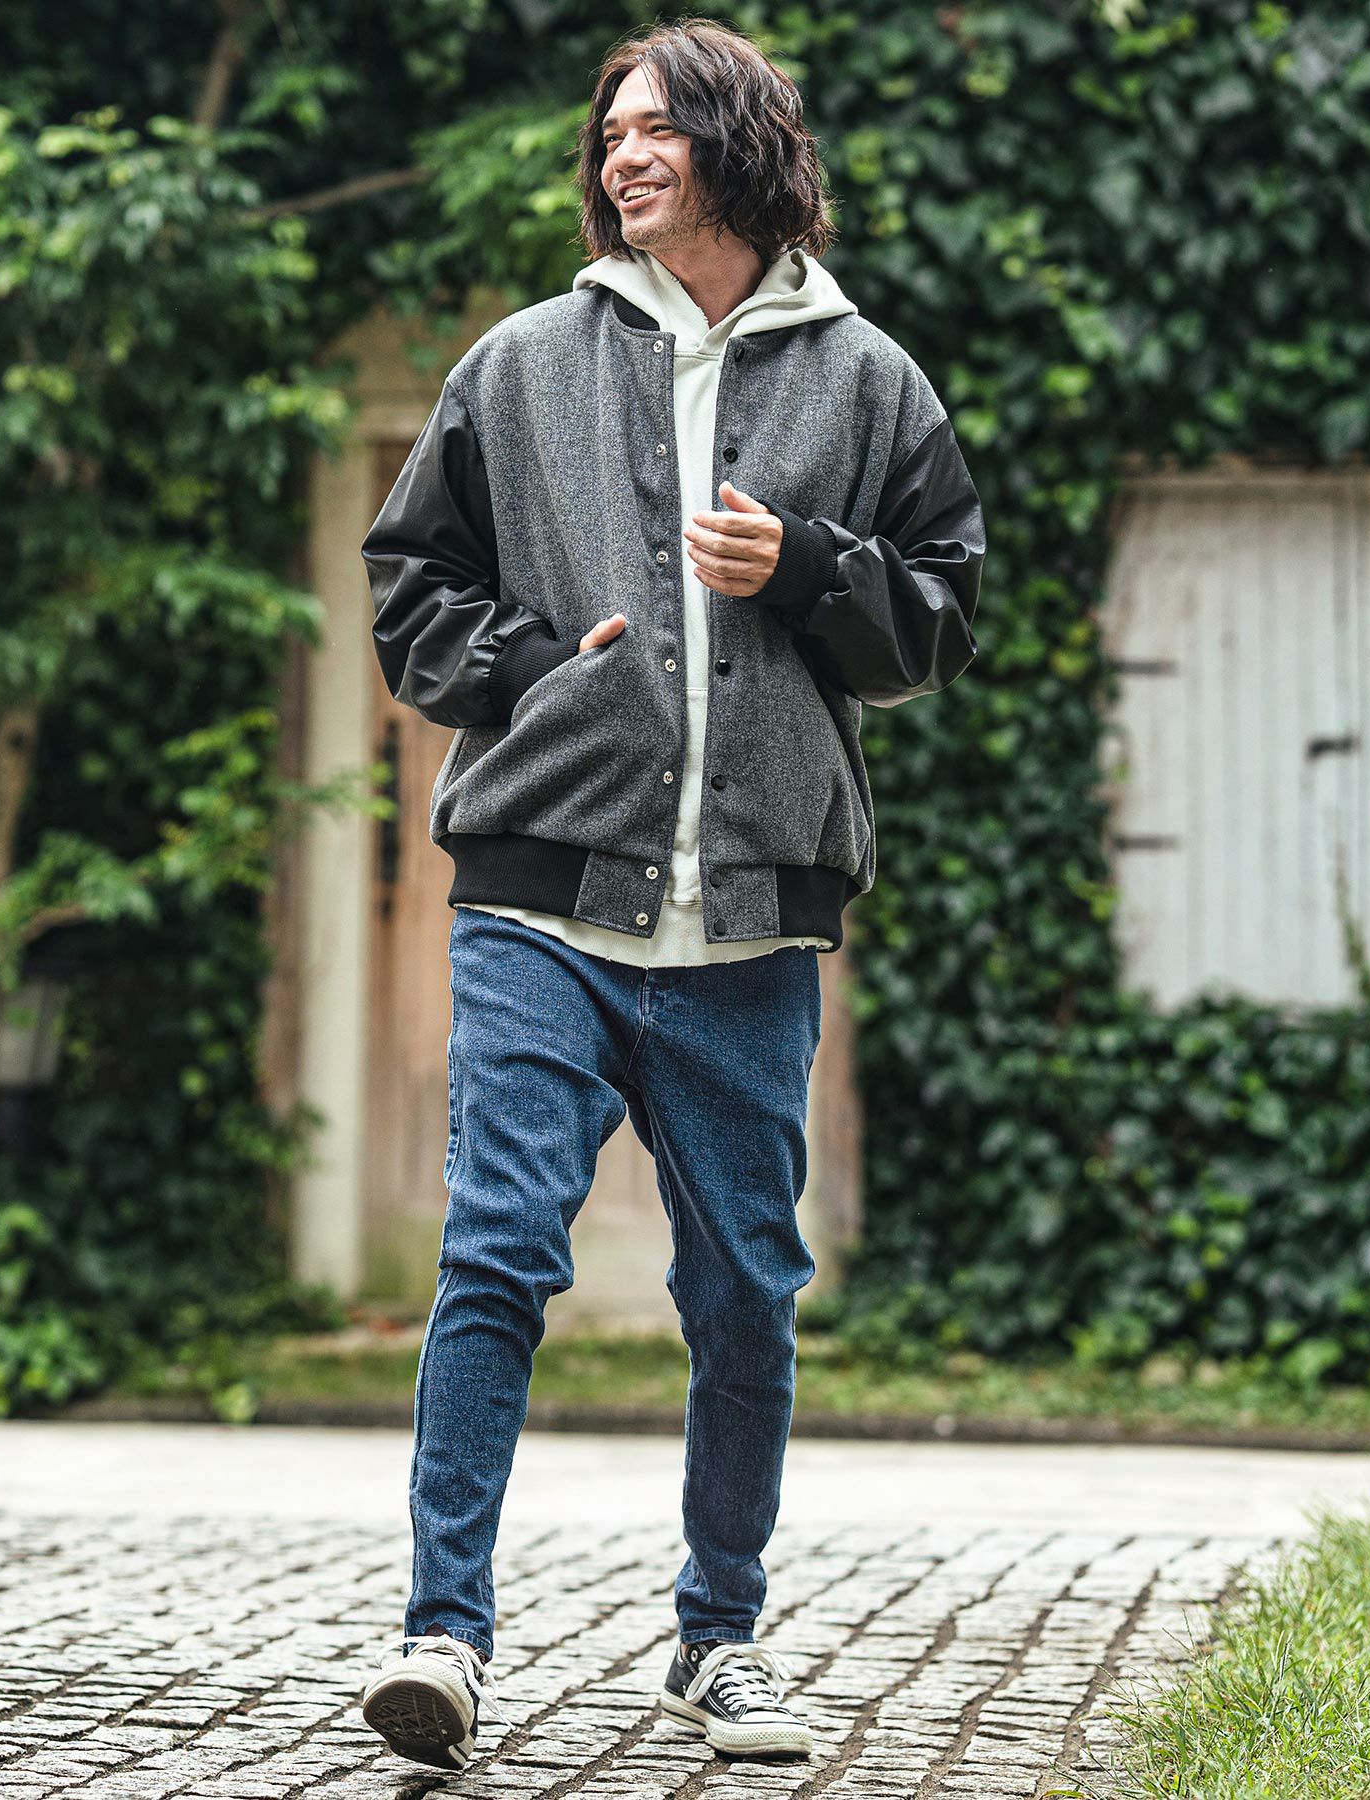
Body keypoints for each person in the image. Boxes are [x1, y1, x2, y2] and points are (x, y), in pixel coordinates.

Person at [356, 15, 986, 1774]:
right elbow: (410, 587)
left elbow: (940, 618)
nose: (623, 155)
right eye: (610, 132)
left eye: (658, 128)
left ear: (741, 144)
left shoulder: (870, 381)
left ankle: (720, 1642)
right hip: (541, 898)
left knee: (745, 1293)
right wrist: (531, 666)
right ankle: (442, 1637)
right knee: (497, 1249)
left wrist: (811, 568)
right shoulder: (520, 364)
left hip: (751, 924)